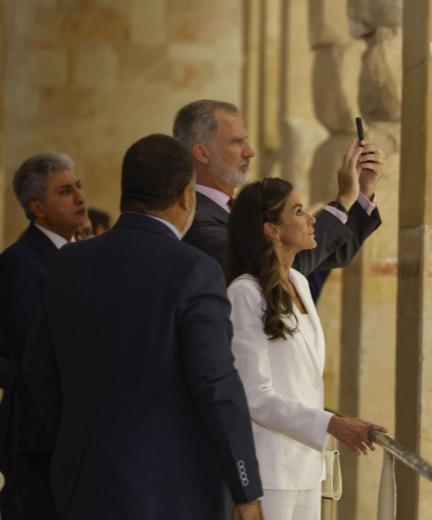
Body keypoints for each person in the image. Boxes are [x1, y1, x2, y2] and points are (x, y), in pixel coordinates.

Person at [22, 134, 264, 520]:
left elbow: (38, 368)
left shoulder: (69, 262)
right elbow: (215, 385)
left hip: (84, 481)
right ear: (188, 196)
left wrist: (80, 437)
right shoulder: (194, 269)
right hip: (172, 491)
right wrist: (246, 489)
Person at [225, 178, 387, 520]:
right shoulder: (245, 293)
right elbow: (254, 397)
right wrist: (331, 424)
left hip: (309, 468)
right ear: (271, 229)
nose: (312, 218)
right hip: (271, 471)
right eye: (299, 212)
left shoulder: (298, 281)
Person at [172, 99, 383, 276]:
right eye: (237, 142)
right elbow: (274, 272)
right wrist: (345, 199)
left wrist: (364, 190)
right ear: (202, 154)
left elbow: (330, 253)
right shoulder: (194, 219)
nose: (250, 151)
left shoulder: (239, 207)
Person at [0, 153, 88, 520]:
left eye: (78, 187)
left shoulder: (81, 256)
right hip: (38, 433)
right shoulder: (20, 263)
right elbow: (32, 353)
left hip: (73, 429)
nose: (81, 198)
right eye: (65, 191)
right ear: (37, 208)